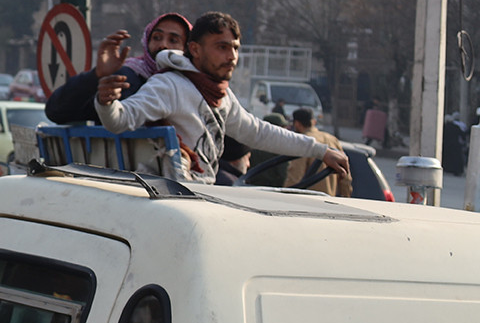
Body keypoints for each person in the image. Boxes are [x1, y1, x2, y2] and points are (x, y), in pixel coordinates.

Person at [95, 11, 349, 184]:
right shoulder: (169, 85)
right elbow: (119, 120)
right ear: (194, 49)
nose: (231, 56)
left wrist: (320, 151)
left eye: (235, 48)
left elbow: (258, 132)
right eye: (222, 47)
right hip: (171, 204)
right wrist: (106, 102)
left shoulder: (222, 95)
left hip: (201, 198)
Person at [45, 13, 191, 125]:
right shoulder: (125, 78)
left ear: (188, 49)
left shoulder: (193, 86)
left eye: (173, 40)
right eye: (157, 37)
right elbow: (56, 111)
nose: (163, 45)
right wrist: (97, 76)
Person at [284, 107, 343, 195]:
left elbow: (295, 177)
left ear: (297, 124)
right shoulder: (333, 140)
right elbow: (345, 176)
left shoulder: (303, 141)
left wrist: (284, 197)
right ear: (314, 122)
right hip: (330, 201)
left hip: (309, 202)